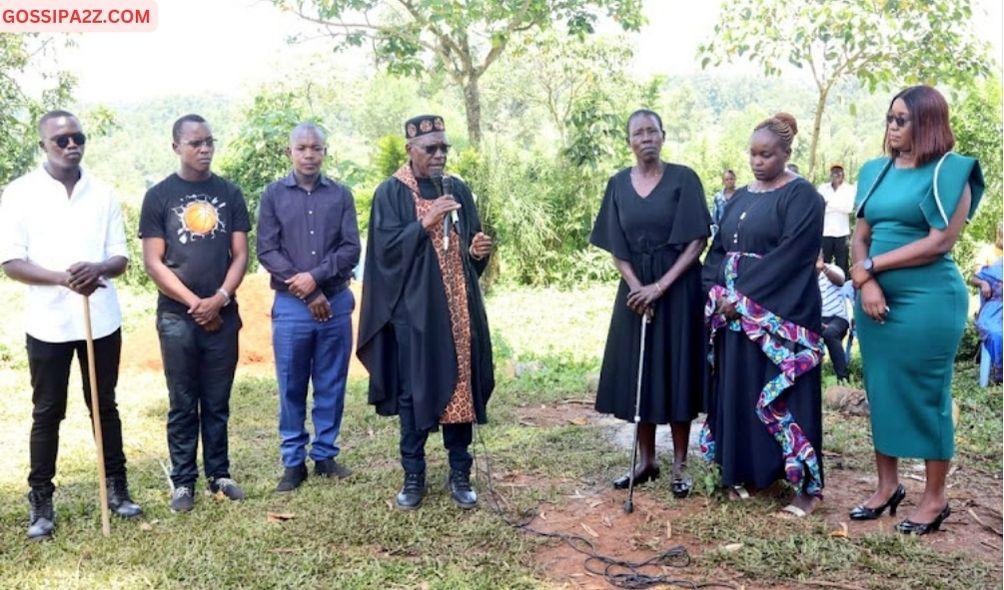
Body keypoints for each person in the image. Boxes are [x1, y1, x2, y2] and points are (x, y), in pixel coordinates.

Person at [0, 110, 143, 540]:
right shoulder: (20, 192)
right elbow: (11, 262)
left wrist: (96, 267)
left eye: (77, 137)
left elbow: (120, 257)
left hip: (100, 319)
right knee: (47, 411)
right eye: (60, 139)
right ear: (43, 144)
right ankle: (41, 499)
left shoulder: (101, 193)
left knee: (104, 405)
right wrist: (63, 277)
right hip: (48, 322)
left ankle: (116, 489)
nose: (70, 144)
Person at [849, 85, 983, 535]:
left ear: (926, 123)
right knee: (881, 387)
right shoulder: (875, 171)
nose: (891, 126)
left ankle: (934, 498)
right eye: (889, 118)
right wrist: (865, 280)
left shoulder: (951, 171)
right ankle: (887, 487)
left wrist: (871, 268)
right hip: (873, 297)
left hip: (929, 299)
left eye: (901, 119)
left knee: (927, 393)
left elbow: (940, 241)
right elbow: (860, 234)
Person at [357, 115, 494, 510]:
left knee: (460, 389)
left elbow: (468, 250)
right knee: (413, 391)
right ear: (409, 150)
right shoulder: (391, 193)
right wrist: (424, 222)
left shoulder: (458, 189)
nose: (438, 155)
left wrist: (476, 253)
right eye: (430, 148)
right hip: (413, 314)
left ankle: (460, 474)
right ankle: (413, 477)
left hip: (459, 309)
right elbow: (383, 256)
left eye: (443, 148)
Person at [702, 112, 825, 517]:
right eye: (753, 154)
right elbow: (717, 252)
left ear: (787, 153)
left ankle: (805, 489)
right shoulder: (738, 197)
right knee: (741, 388)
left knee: (783, 393)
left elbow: (793, 256)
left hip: (780, 311)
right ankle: (747, 472)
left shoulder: (803, 196)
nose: (757, 162)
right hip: (734, 315)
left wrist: (743, 297)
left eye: (767, 154)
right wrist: (717, 291)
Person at [590, 109, 710, 498]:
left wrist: (659, 287)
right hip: (635, 290)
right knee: (639, 371)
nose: (646, 138)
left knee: (677, 370)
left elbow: (697, 241)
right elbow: (615, 244)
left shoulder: (684, 178)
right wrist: (637, 287)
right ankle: (646, 461)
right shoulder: (617, 185)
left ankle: (678, 463)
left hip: (677, 285)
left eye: (652, 131)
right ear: (629, 141)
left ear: (663, 135)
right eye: (638, 133)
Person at [139, 114, 251, 512]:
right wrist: (195, 303)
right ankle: (183, 481)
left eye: (209, 142)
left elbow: (241, 255)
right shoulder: (159, 196)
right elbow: (154, 263)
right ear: (176, 147)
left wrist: (219, 297)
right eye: (195, 143)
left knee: (217, 400)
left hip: (223, 313)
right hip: (177, 316)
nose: (204, 149)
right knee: (183, 400)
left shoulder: (230, 193)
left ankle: (219, 475)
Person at [257, 123, 361, 492]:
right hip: (291, 307)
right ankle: (292, 462)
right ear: (290, 153)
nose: (309, 154)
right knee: (291, 384)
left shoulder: (341, 195)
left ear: (325, 152)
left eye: (316, 148)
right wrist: (305, 290)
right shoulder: (272, 195)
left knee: (332, 380)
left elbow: (351, 249)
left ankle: (325, 454)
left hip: (335, 303)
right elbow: (267, 250)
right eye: (301, 148)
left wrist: (315, 279)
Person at [971, 224, 1002, 385]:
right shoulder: (988, 253)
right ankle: (998, 371)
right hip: (992, 304)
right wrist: (984, 283)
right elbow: (975, 276)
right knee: (995, 332)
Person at [817, 252, 850, 381]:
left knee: (830, 333)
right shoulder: (805, 274)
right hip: (817, 318)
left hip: (838, 317)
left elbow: (841, 281)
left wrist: (823, 268)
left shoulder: (833, 269)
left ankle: (843, 377)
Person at [817, 164, 856, 274]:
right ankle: (824, 289)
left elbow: (848, 208)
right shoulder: (823, 188)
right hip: (826, 232)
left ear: (843, 174)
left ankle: (843, 289)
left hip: (842, 233)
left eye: (839, 172)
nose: (836, 174)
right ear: (830, 174)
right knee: (824, 264)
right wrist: (838, 204)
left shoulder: (849, 189)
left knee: (842, 264)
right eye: (834, 172)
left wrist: (828, 203)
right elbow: (820, 207)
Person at [710, 169, 737, 241]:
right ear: (723, 182)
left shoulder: (740, 194)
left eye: (731, 179)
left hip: (737, 231)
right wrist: (715, 236)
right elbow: (715, 218)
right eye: (726, 179)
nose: (729, 181)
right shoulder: (718, 197)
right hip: (723, 232)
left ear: (735, 179)